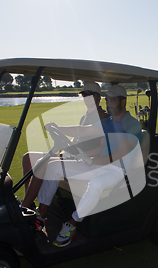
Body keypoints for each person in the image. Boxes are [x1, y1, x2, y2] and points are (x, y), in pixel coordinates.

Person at [22, 84, 142, 247]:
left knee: (97, 183)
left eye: (112, 100)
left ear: (123, 101)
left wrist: (92, 161)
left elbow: (119, 154)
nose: (108, 103)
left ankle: (71, 224)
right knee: (53, 167)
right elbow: (83, 130)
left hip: (118, 170)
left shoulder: (132, 124)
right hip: (99, 164)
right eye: (107, 100)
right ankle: (41, 216)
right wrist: (58, 128)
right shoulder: (107, 122)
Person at [21, 81, 107, 216]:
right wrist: (65, 149)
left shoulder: (102, 117)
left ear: (98, 97)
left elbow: (82, 132)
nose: (87, 98)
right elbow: (76, 139)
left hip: (85, 158)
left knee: (43, 164)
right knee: (28, 158)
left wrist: (59, 129)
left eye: (91, 94)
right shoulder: (85, 116)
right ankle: (29, 202)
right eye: (84, 94)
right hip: (73, 154)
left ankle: (24, 207)